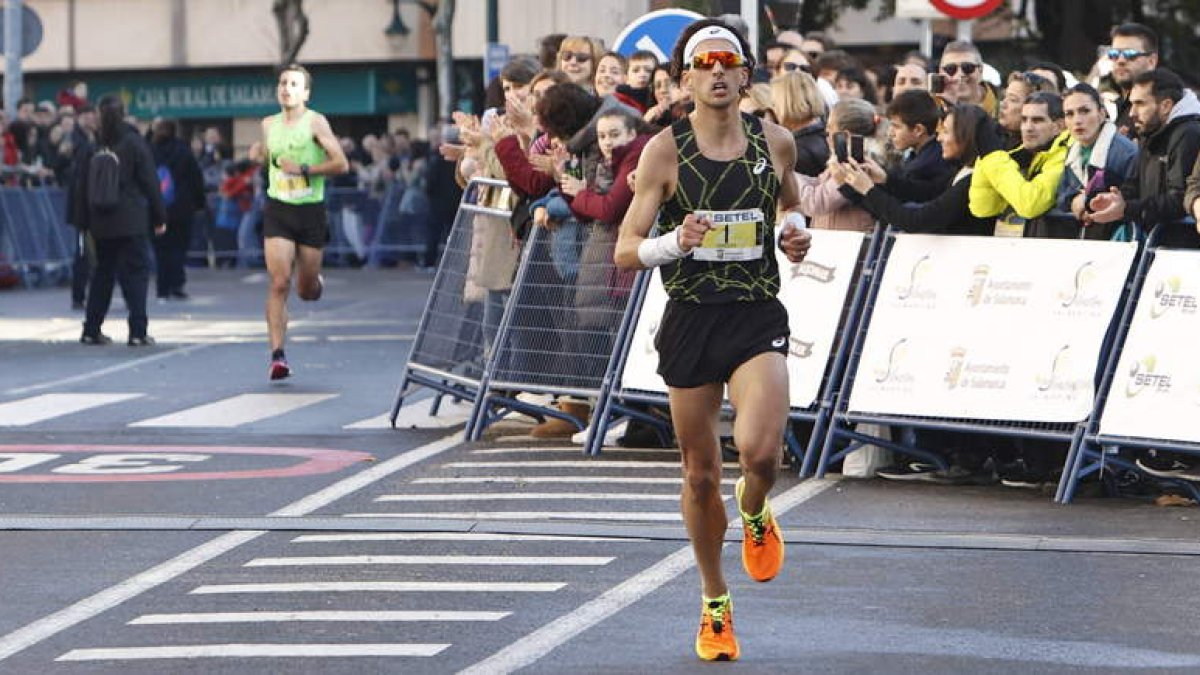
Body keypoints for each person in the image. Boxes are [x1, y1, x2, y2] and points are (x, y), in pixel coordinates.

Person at [613, 19, 811, 662]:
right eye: (705, 63)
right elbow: (624, 249)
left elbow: (789, 203)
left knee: (760, 454)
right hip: (692, 318)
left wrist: (797, 232)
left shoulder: (776, 140)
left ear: (745, 73)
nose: (718, 71)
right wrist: (675, 242)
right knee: (700, 475)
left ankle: (754, 509)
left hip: (754, 313)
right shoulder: (663, 151)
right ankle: (715, 601)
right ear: (685, 78)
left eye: (729, 60)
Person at [258, 63, 349, 380]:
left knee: (306, 290)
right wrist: (259, 155)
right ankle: (277, 356)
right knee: (279, 282)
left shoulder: (316, 122)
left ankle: (313, 281)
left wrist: (304, 170)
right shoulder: (268, 125)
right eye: (283, 83)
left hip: (310, 210)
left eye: (294, 84)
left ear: (306, 93)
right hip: (278, 208)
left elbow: (341, 164)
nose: (287, 89)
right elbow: (269, 161)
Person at [71, 95, 166, 346]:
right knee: (135, 275)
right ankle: (137, 332)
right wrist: (159, 216)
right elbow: (150, 182)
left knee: (102, 275)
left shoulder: (93, 145)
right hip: (131, 220)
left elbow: (80, 187)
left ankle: (91, 329)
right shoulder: (133, 143)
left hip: (100, 222)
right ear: (123, 114)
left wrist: (82, 222)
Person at [1091, 69, 1200, 248]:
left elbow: (1180, 199)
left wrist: (1127, 208)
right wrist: (1115, 200)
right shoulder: (1150, 130)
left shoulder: (1189, 133)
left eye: (1140, 104)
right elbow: (1134, 184)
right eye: (1131, 104)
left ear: (1165, 105)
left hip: (1180, 248)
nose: (1132, 113)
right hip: (1154, 244)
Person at [969, 92, 1070, 238]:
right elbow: (982, 208)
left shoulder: (1065, 156)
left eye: (1037, 120)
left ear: (1059, 126)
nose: (1028, 128)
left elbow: (1030, 205)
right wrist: (987, 155)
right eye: (1024, 120)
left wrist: (993, 157)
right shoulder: (1018, 155)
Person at [1057, 83, 1138, 240]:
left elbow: (1133, 198)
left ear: (1101, 114)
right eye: (1069, 114)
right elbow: (1061, 195)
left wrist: (1087, 202)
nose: (1077, 120)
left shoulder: (1126, 152)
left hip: (1120, 238)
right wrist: (1074, 200)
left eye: (1085, 111)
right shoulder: (1072, 151)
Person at [150, 118, 205, 300]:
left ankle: (162, 288)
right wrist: (199, 204)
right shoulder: (183, 150)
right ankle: (177, 284)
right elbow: (196, 179)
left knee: (161, 250)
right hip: (182, 208)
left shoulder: (151, 151)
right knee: (179, 248)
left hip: (158, 208)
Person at [1107, 23, 1159, 138]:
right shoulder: (1114, 107)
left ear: (1151, 61)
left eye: (1130, 54)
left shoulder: (1161, 109)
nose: (1120, 60)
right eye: (1114, 54)